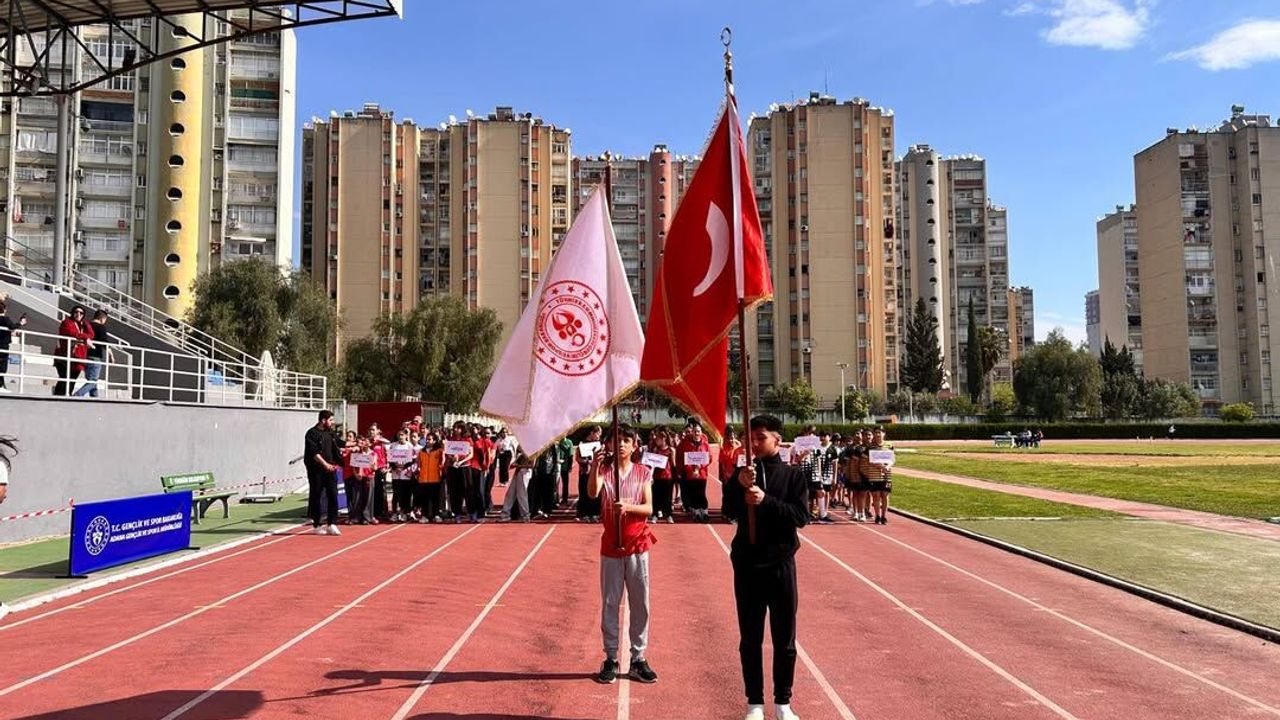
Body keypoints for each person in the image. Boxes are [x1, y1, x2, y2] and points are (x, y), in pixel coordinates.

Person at [722, 414, 808, 720]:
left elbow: (800, 517)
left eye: (761, 437)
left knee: (785, 638)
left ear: (777, 440)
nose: (754, 443)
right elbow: (728, 512)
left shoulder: (792, 476)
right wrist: (737, 486)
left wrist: (765, 501)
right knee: (750, 638)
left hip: (781, 564)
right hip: (747, 564)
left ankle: (783, 702)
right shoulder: (743, 473)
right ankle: (754, 703)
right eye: (750, 438)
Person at [588, 424, 658, 685]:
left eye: (626, 440)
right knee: (610, 602)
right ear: (608, 444)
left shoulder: (643, 472)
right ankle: (611, 657)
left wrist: (627, 507)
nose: (621, 444)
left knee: (640, 602)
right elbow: (592, 492)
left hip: (638, 546)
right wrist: (595, 467)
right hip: (611, 547)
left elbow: (649, 507)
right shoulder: (605, 472)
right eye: (616, 440)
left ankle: (638, 658)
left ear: (634, 445)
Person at [304, 410, 343, 536]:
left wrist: (358, 444)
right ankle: (317, 524)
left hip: (330, 470)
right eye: (330, 420)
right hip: (317, 471)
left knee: (333, 495)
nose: (332, 423)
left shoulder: (330, 433)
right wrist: (325, 464)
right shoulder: (311, 433)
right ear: (323, 420)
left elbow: (341, 443)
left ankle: (332, 523)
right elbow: (314, 453)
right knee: (316, 496)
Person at [676, 420, 712, 522]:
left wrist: (700, 467)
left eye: (698, 431)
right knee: (693, 494)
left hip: (702, 474)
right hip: (690, 474)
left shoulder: (705, 444)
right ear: (692, 432)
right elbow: (681, 459)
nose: (697, 433)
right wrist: (690, 470)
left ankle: (704, 513)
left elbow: (709, 458)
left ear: (701, 432)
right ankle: (696, 513)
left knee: (701, 493)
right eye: (695, 431)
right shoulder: (685, 444)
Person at [53, 305, 93, 397]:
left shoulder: (83, 324)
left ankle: (68, 396)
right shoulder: (67, 322)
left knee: (72, 379)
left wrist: (86, 325)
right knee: (64, 378)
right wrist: (85, 338)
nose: (78, 314)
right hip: (63, 356)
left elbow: (91, 334)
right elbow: (72, 333)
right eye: (76, 312)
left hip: (77, 357)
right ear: (72, 313)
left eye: (81, 313)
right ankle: (57, 396)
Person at [73, 310, 114, 398]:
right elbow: (105, 342)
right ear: (102, 318)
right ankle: (77, 395)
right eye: (105, 319)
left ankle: (95, 398)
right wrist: (111, 355)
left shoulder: (86, 325)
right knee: (93, 381)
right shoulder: (101, 327)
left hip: (85, 356)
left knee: (91, 380)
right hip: (95, 357)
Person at [861, 427, 893, 525]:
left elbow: (892, 458)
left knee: (885, 496)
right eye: (876, 433)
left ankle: (884, 516)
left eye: (880, 432)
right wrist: (879, 466)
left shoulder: (889, 445)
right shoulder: (870, 446)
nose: (878, 434)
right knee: (876, 496)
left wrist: (888, 466)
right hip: (874, 474)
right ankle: (877, 516)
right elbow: (868, 460)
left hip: (887, 474)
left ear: (884, 434)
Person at [646, 427, 677, 523]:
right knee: (656, 496)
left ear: (663, 438)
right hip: (657, 476)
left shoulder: (671, 450)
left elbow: (673, 464)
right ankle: (655, 514)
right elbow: (650, 462)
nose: (656, 439)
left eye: (658, 438)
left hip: (667, 476)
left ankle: (669, 515)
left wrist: (675, 476)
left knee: (668, 497)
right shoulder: (655, 449)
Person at [387, 429, 418, 522]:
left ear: (405, 436)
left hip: (406, 475)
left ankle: (404, 512)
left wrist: (403, 467)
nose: (400, 437)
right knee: (396, 494)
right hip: (396, 474)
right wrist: (395, 467)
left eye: (402, 435)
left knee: (406, 494)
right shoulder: (393, 445)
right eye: (399, 435)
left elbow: (412, 460)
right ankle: (394, 513)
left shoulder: (409, 446)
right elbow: (390, 459)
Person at [576, 426, 604, 522]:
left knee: (596, 492)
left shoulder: (599, 444)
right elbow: (577, 458)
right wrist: (587, 462)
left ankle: (595, 513)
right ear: (592, 433)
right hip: (585, 472)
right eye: (598, 433)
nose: (599, 436)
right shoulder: (582, 444)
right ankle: (584, 514)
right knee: (584, 492)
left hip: (596, 472)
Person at [0, 300, 28, 393]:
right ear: (4, 310)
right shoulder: (5, 319)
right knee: (2, 366)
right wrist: (21, 323)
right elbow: (12, 326)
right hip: (3, 345)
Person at [416, 435, 444, 522]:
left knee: (435, 498)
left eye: (430, 439)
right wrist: (418, 470)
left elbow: (442, 462)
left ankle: (436, 514)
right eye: (427, 439)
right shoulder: (421, 452)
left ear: (434, 441)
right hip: (423, 478)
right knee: (424, 498)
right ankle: (425, 515)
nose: (427, 441)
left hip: (435, 478)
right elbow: (418, 463)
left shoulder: (439, 451)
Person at [501, 451, 532, 522]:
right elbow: (514, 464)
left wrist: (519, 466)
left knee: (522, 495)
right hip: (518, 472)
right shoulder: (522, 450)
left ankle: (525, 516)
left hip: (524, 473)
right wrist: (515, 464)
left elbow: (532, 465)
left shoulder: (532, 451)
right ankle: (505, 514)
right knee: (510, 494)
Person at [557, 435, 575, 507]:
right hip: (556, 466)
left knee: (565, 483)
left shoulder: (569, 442)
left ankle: (565, 499)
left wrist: (570, 466)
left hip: (565, 466)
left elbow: (571, 455)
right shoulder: (556, 442)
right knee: (555, 484)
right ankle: (556, 499)